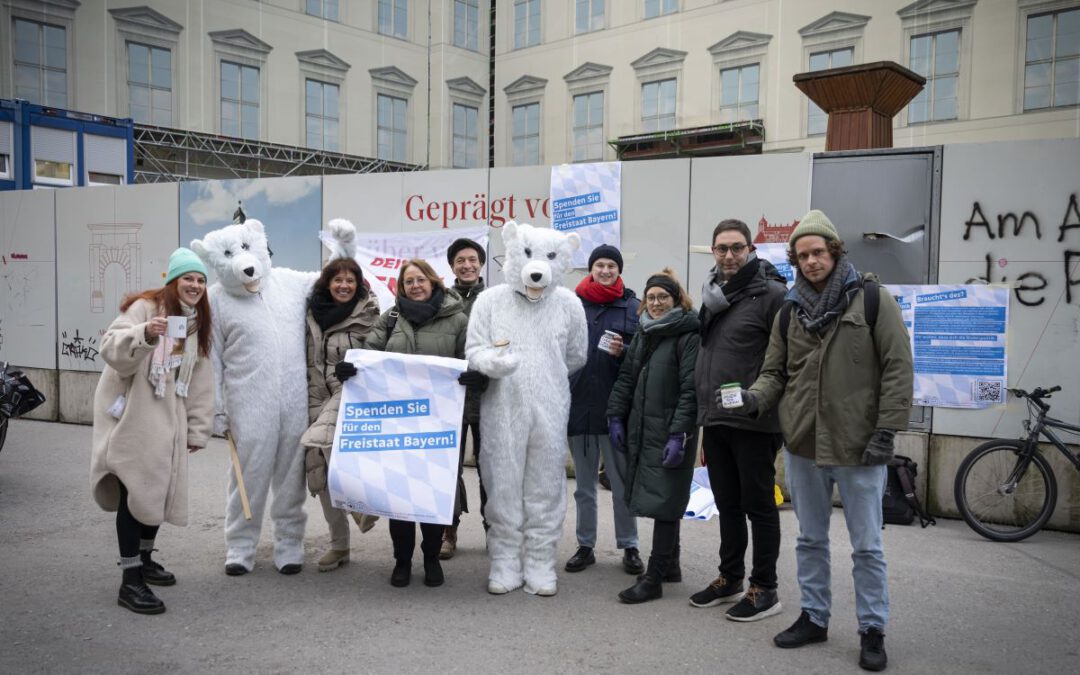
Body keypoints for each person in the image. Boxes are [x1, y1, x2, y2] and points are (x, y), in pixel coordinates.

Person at [735, 210, 913, 672]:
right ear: (794, 260)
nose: (811, 261)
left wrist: (887, 432)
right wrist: (754, 399)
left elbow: (897, 369)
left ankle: (872, 628)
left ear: (834, 252)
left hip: (860, 448)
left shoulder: (873, 300)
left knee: (867, 546)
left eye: (818, 252)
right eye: (802, 255)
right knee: (810, 540)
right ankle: (814, 617)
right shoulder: (790, 311)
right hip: (803, 445)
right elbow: (775, 372)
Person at [89, 248, 214, 615]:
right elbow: (110, 350)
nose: (195, 285)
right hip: (132, 412)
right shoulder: (144, 308)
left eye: (201, 280)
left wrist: (198, 427)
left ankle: (144, 560)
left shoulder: (196, 320)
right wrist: (145, 333)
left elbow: (200, 375)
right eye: (188, 278)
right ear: (172, 281)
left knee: (157, 489)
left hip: (167, 413)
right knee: (134, 488)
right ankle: (130, 582)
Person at [343, 258, 476, 588]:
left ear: (433, 282)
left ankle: (431, 558)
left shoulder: (458, 320)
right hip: (398, 422)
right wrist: (350, 368)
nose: (415, 286)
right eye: (408, 282)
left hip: (439, 422)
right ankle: (401, 561)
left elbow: (471, 358)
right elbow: (369, 354)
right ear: (401, 288)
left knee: (433, 494)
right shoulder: (390, 319)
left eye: (420, 280)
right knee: (400, 495)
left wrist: (476, 378)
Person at [690, 219, 787, 621]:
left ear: (750, 249)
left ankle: (764, 587)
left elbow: (783, 363)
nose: (728, 256)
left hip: (754, 419)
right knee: (727, 504)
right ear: (713, 251)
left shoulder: (773, 296)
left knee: (759, 506)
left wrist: (757, 402)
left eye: (736, 248)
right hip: (715, 419)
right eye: (721, 248)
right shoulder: (713, 294)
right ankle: (730, 577)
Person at [606, 268, 700, 604]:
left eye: (663, 297)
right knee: (665, 496)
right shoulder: (646, 333)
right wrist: (615, 414)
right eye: (651, 298)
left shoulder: (688, 335)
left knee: (664, 499)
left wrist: (679, 434)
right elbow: (627, 378)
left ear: (676, 299)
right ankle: (671, 564)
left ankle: (655, 576)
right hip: (644, 426)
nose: (657, 303)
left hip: (672, 430)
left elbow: (691, 389)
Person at [299, 258, 380, 572]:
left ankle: (363, 507)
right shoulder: (310, 314)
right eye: (338, 280)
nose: (344, 286)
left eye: (350, 280)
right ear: (327, 283)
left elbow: (380, 356)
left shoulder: (370, 315)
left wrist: (358, 367)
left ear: (358, 284)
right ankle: (340, 545)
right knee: (319, 470)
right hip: (315, 396)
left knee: (322, 443)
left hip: (351, 397)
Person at [565, 244, 642, 575]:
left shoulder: (633, 306)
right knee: (583, 486)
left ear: (619, 270)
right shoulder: (570, 305)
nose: (606, 270)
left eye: (612, 265)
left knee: (621, 483)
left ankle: (630, 546)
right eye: (600, 265)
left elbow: (643, 354)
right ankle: (586, 545)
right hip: (578, 405)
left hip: (616, 410)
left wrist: (623, 350)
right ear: (591, 269)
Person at [440, 237, 489, 560]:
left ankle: (494, 529)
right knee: (447, 468)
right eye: (461, 260)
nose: (467, 265)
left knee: (491, 469)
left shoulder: (495, 298)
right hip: (450, 397)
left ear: (481, 263)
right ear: (452, 266)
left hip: (488, 397)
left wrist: (487, 372)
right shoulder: (441, 300)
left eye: (472, 259)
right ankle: (449, 531)